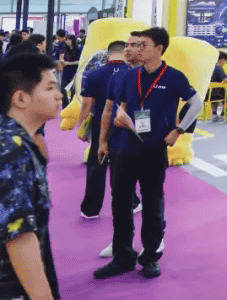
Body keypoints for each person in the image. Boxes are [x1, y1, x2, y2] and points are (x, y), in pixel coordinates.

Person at [93, 27, 201, 281]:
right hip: (124, 148)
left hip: (153, 150)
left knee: (152, 203)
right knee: (121, 203)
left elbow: (196, 103)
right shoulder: (130, 76)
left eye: (143, 45)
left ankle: (150, 256)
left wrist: (178, 131)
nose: (137, 49)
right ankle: (122, 257)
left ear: (159, 49)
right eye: (135, 45)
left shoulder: (174, 77)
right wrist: (119, 119)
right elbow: (121, 106)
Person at [0, 52, 62, 300]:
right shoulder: (12, 150)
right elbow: (19, 235)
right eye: (50, 88)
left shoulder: (15, 139)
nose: (59, 95)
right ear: (21, 98)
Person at [78, 41, 137, 219]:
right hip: (126, 126)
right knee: (124, 167)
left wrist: (82, 127)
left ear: (107, 54)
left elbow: (86, 104)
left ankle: (91, 209)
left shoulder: (94, 75)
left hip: (100, 125)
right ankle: (131, 203)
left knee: (96, 165)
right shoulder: (134, 74)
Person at [207, 51, 227, 122]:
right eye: (224, 61)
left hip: (208, 93)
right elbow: (225, 80)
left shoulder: (210, 67)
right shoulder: (219, 68)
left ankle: (214, 115)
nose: (224, 63)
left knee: (219, 95)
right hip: (217, 93)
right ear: (222, 60)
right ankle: (223, 114)